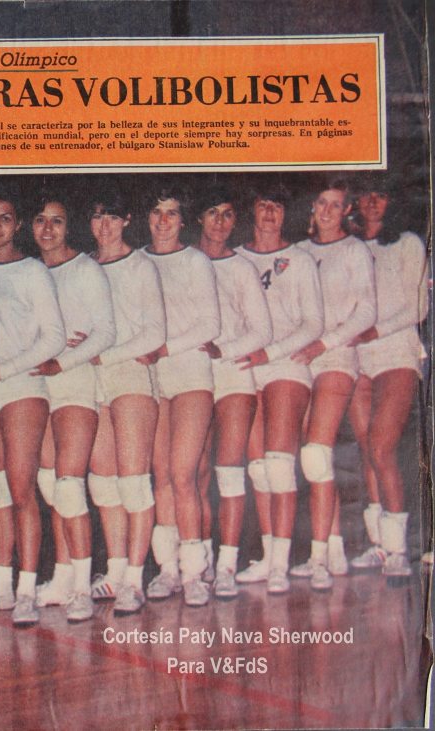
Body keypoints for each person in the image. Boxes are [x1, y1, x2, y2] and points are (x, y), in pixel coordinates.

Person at [0, 184, 65, 627]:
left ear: (18, 224)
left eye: (5, 218)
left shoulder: (32, 271)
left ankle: (27, 589)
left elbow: (54, 338)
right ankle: (1, 587)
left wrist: (3, 370)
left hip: (21, 386)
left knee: (22, 489)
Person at [234, 182, 324, 594]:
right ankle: (269, 556)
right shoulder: (236, 258)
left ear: (286, 214)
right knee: (257, 468)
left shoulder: (300, 260)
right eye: (263, 204)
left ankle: (280, 566)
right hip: (244, 366)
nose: (270, 213)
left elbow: (313, 323)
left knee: (279, 462)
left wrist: (268, 353)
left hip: (285, 363)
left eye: (277, 206)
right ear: (252, 210)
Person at [29, 193, 115, 623]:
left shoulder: (85, 269)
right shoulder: (28, 271)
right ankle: (62, 576)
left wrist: (61, 361)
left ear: (69, 227)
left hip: (74, 382)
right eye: (40, 220)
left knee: (68, 484)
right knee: (49, 484)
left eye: (57, 221)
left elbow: (105, 333)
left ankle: (82, 587)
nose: (48, 229)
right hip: (36, 385)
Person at [290, 178, 376, 590]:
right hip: (297, 359)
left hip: (335, 356)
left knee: (316, 452)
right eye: (321, 202)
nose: (326, 211)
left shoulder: (354, 250)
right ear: (313, 205)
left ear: (347, 210)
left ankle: (318, 558)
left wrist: (323, 344)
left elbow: (366, 312)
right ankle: (335, 548)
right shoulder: (298, 252)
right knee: (314, 460)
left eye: (335, 205)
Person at [85, 186, 164, 616]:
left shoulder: (140, 266)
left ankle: (135, 579)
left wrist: (105, 353)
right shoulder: (83, 266)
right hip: (91, 380)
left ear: (127, 221)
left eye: (113, 217)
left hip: (130, 374)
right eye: (98, 216)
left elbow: (154, 333)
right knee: (103, 482)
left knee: (134, 482)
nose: (105, 226)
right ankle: (115, 572)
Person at [142, 186, 221, 608]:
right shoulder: (137, 261)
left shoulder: (195, 261)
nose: (163, 221)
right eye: (157, 212)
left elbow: (209, 324)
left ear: (183, 220)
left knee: (184, 474)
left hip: (190, 373)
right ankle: (168, 569)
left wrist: (164, 348)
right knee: (161, 476)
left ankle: (194, 572)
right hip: (151, 378)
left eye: (171, 213)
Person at [192, 185, 272, 599]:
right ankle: (200, 561)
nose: (220, 222)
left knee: (229, 469)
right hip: (191, 375)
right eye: (212, 212)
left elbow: (262, 330)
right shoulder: (184, 261)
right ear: (198, 218)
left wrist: (223, 350)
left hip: (233, 372)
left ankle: (227, 564)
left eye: (227, 214)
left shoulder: (241, 267)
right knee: (194, 472)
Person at [344, 177, 426, 577]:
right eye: (366, 195)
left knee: (381, 448)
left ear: (391, 200)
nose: (373, 202)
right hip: (357, 358)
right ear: (356, 201)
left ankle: (398, 551)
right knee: (366, 452)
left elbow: (418, 307)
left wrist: (374, 331)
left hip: (396, 353)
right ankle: (378, 545)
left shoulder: (407, 243)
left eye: (381, 195)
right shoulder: (350, 247)